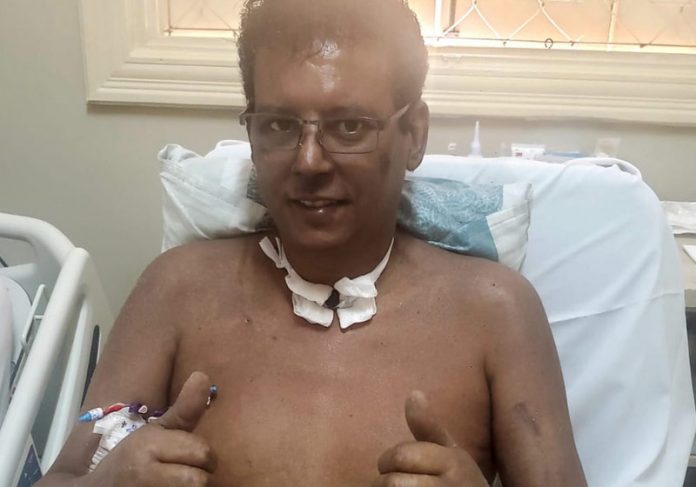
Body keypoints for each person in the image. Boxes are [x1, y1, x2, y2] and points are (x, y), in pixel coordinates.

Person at [39, 0, 587, 485]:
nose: (308, 162)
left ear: (414, 135)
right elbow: (63, 477)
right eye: (279, 126)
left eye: (349, 127)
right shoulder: (176, 290)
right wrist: (104, 484)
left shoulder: (495, 311)